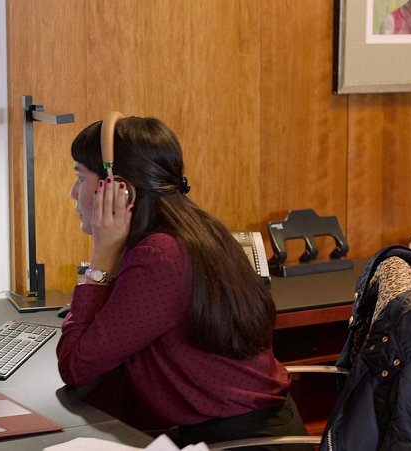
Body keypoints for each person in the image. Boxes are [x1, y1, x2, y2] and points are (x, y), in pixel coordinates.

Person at [56, 115, 310, 448]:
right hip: (241, 430)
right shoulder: (194, 229)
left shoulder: (159, 256)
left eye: (80, 177)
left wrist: (101, 258)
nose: (73, 192)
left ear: (120, 190)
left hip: (243, 443)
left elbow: (76, 365)